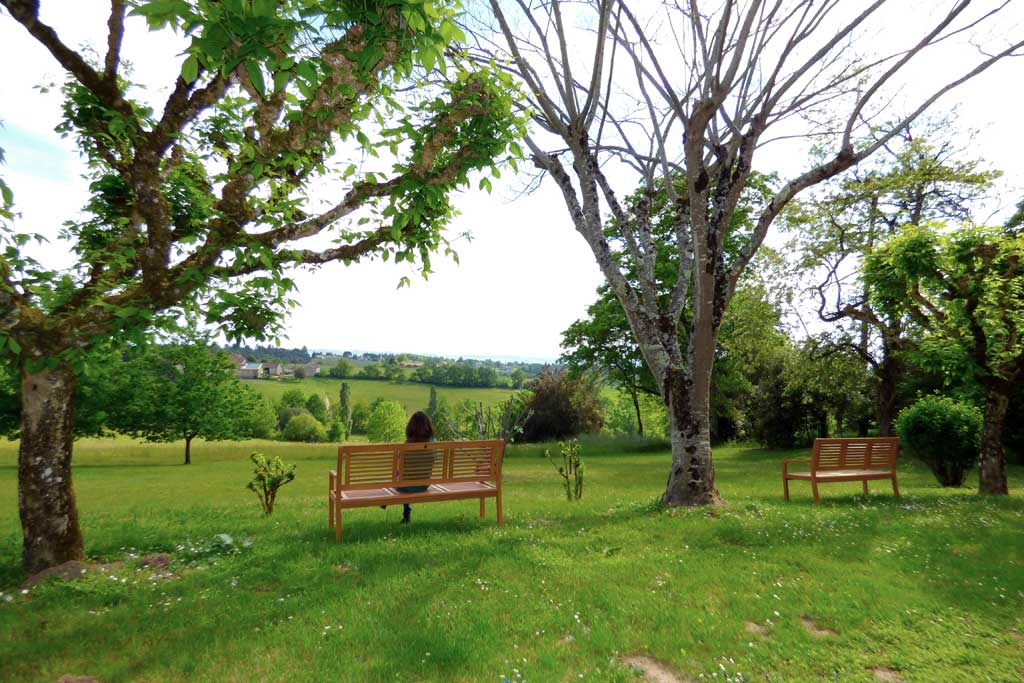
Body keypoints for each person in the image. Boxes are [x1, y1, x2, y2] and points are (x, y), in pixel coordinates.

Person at [395, 411, 435, 524]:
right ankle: (405, 510)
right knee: (403, 477)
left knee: (399, 476)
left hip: (406, 486)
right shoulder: (432, 445)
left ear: (410, 428)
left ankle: (405, 508)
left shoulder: (406, 446)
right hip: (424, 484)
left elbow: (399, 467)